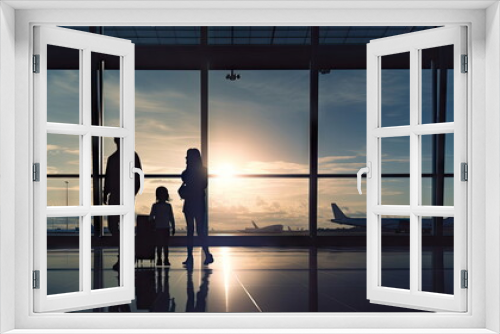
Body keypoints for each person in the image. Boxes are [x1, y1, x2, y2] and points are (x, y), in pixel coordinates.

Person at [103, 137, 142, 271]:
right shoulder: (118, 157)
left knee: (115, 225)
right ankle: (125, 253)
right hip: (119, 195)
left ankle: (123, 255)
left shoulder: (114, 158)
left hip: (120, 195)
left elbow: (109, 177)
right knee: (114, 225)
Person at [179, 148, 213, 266]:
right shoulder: (203, 171)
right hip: (198, 202)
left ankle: (190, 257)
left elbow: (185, 180)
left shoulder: (186, 172)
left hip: (190, 203)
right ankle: (207, 254)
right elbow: (203, 185)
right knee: (199, 231)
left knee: (190, 231)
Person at [149, 186, 176, 266]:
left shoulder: (155, 206)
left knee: (159, 245)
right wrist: (173, 227)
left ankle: (159, 259)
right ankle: (166, 259)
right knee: (165, 245)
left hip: (158, 228)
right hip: (165, 228)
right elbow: (171, 217)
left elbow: (151, 217)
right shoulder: (168, 206)